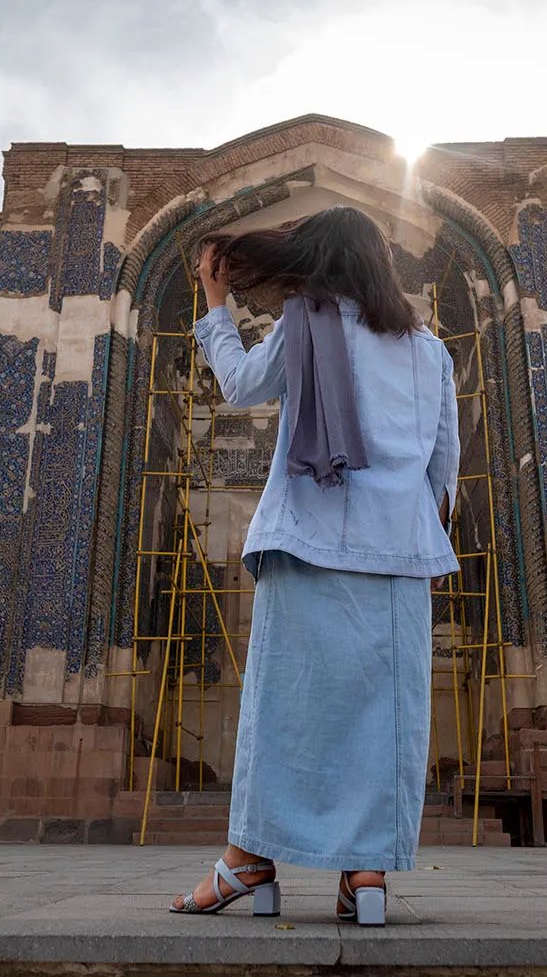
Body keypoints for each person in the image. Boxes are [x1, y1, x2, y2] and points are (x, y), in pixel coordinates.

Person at [167, 205, 459, 927]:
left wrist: (214, 304)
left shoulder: (305, 324)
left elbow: (235, 383)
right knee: (385, 718)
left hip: (307, 538)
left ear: (320, 265)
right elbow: (444, 468)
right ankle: (366, 873)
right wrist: (415, 536)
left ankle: (247, 860)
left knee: (282, 705)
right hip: (400, 553)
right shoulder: (431, 352)